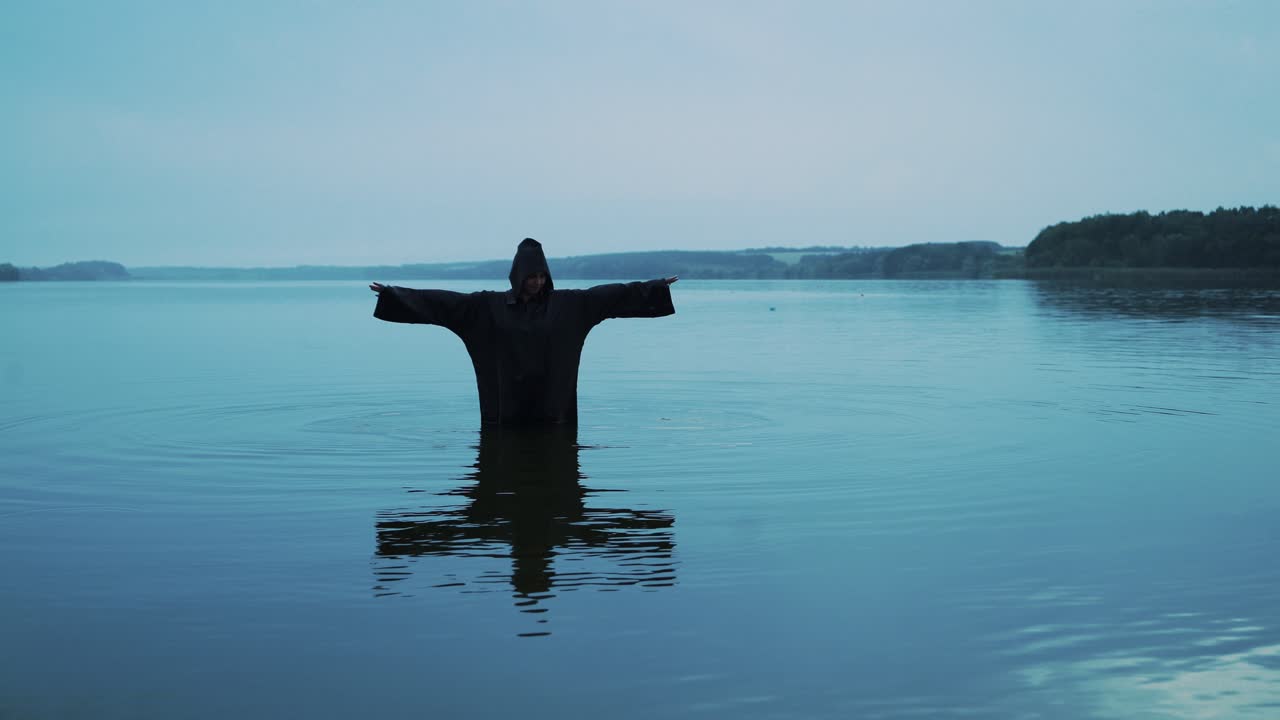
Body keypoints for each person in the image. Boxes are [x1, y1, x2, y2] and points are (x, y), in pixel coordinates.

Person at [370, 238, 677, 426]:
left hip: (552, 407)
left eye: (543, 276)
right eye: (532, 276)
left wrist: (655, 288)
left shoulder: (568, 305)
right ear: (519, 275)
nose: (538, 282)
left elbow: (611, 296)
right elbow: (444, 303)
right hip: (506, 408)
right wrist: (394, 294)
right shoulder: (489, 306)